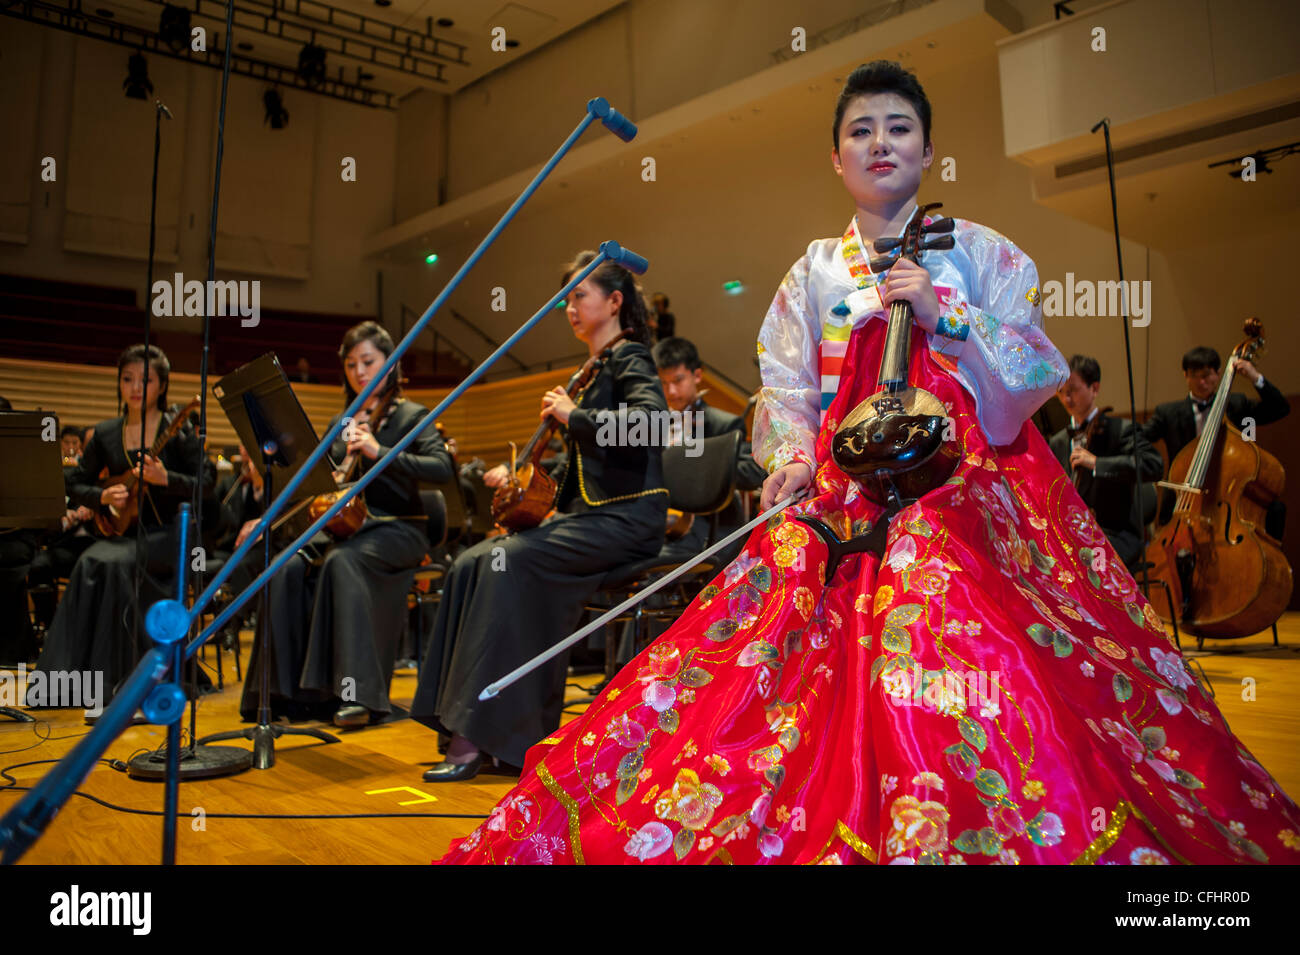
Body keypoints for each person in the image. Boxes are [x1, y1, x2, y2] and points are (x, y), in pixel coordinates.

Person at [435, 61, 1299, 864]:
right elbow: (783, 395)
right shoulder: (810, 275)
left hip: (962, 486)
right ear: (837, 158)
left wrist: (947, 318)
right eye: (861, 131)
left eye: (898, 128)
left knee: (937, 590)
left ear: (928, 150)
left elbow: (1036, 373)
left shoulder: (985, 253)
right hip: (842, 494)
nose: (880, 142)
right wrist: (786, 461)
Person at [410, 251, 669, 782]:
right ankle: (474, 726)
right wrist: (527, 476)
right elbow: (586, 460)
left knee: (509, 558)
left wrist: (576, 416)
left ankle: (481, 737)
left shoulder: (631, 358)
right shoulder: (591, 369)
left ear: (614, 301)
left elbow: (649, 427)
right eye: (568, 298)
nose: (570, 307)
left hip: (625, 521)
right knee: (471, 561)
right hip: (587, 521)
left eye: (580, 295)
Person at [239, 322, 453, 728]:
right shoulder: (342, 421)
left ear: (391, 365)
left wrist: (378, 451)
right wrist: (266, 518)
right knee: (285, 566)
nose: (359, 372)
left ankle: (358, 695)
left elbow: (441, 469)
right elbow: (314, 482)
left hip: (400, 528)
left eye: (369, 362)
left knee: (343, 563)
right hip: (345, 531)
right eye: (352, 364)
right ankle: (288, 694)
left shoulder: (411, 415)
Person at [27, 344, 210, 703]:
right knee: (90, 561)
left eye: (146, 380)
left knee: (110, 562)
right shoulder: (107, 432)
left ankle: (126, 680)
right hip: (124, 534)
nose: (135, 387)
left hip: (172, 535)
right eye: (127, 379)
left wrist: (165, 479)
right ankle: (71, 683)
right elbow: (74, 482)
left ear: (162, 385)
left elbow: (206, 488)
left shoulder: (180, 430)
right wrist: (102, 497)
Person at [1142, 345, 1289, 533]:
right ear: (1185, 375)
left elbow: (1280, 409)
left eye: (1206, 375)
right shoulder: (1168, 413)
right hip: (1184, 501)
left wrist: (1255, 377)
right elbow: (1140, 437)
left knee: (1275, 510)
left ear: (1218, 374)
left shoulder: (1237, 405)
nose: (1201, 382)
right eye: (1194, 375)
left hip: (1228, 496)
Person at [652, 336, 765, 562]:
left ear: (697, 375)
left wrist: (697, 464)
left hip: (709, 526)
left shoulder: (723, 423)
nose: (671, 391)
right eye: (664, 383)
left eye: (678, 380)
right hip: (662, 523)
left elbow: (754, 471)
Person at [1049, 355, 1162, 567]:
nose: (1066, 399)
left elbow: (1153, 464)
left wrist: (1097, 463)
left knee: (1087, 567)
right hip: (1075, 535)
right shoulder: (1058, 442)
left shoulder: (1121, 430)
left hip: (1116, 534)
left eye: (1073, 390)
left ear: (1094, 388)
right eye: (1061, 392)